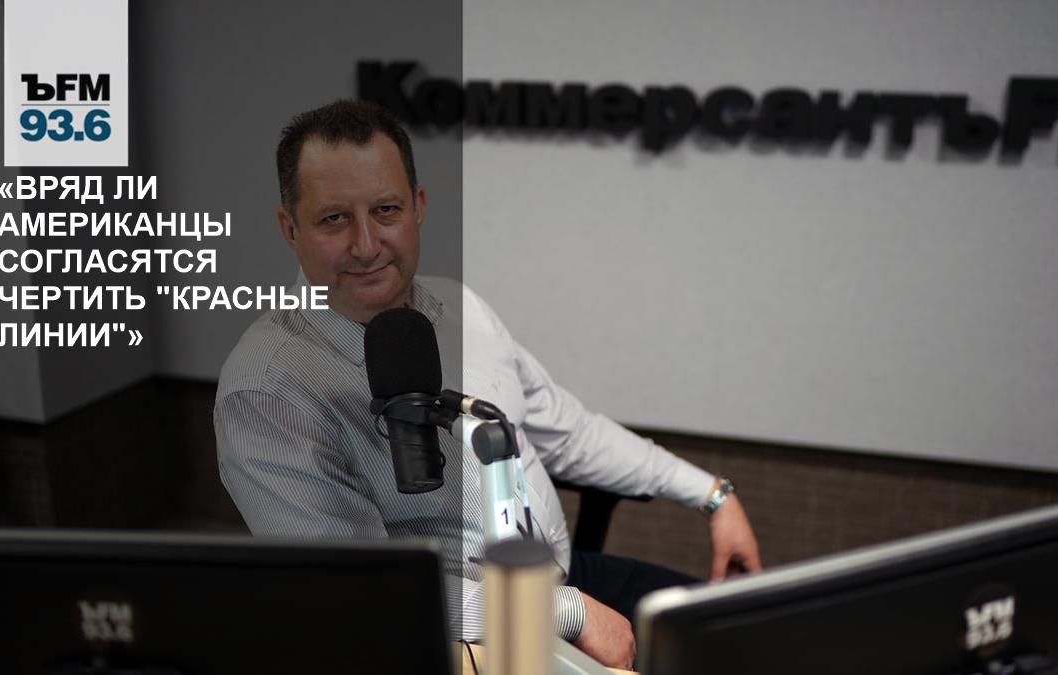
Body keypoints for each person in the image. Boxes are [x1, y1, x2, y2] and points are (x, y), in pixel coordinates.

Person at [214, 100, 761, 670]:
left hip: (565, 580)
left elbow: (567, 431)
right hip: (469, 634)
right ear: (290, 228)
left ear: (418, 206)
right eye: (334, 219)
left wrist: (712, 495)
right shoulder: (267, 391)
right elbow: (368, 589)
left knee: (743, 640)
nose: (367, 244)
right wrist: (566, 614)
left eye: (385, 210)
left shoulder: (458, 305)